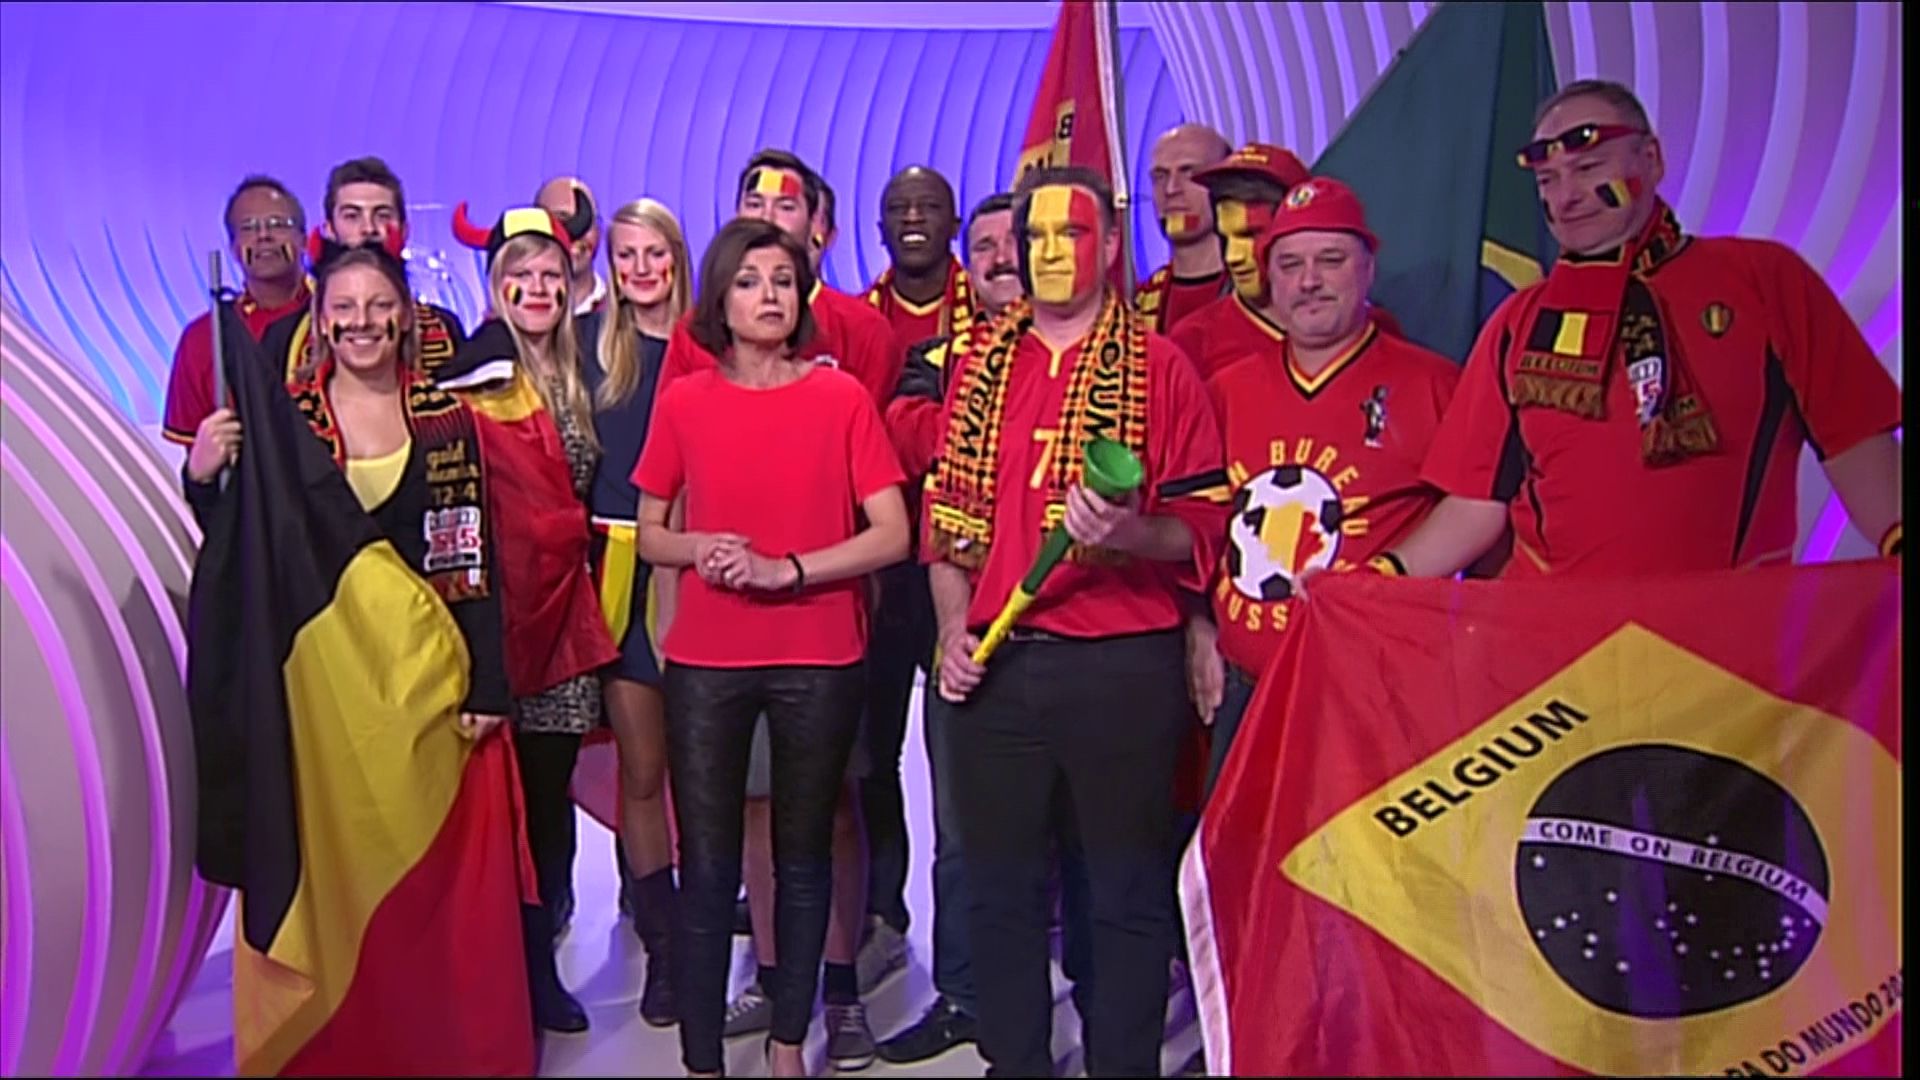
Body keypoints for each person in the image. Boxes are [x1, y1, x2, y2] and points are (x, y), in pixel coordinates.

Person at [184, 238, 535, 1075]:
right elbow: (243, 551)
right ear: (319, 318)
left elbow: (473, 556)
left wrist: (488, 683)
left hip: (433, 696)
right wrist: (202, 476)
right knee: (337, 887)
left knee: (434, 900)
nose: (362, 322)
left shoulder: (446, 420)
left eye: (379, 305)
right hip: (326, 706)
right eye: (343, 307)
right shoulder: (286, 429)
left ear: (407, 317)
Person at [924, 165, 1229, 1078]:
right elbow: (945, 527)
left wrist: (1129, 533)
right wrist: (951, 629)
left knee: (1123, 893)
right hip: (994, 666)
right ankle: (1014, 1062)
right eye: (1039, 237)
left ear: (1111, 246)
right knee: (999, 891)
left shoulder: (1162, 368)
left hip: (1121, 668)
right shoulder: (979, 367)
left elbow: (1202, 529)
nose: (1054, 253)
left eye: (1074, 234)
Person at [1366, 79, 1902, 581]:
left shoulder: (1763, 280)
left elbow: (1854, 441)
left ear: (1652, 158)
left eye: (1588, 168)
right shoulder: (1516, 322)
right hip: (1556, 636)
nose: (1566, 197)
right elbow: (1475, 504)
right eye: (1548, 181)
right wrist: (1375, 582)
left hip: (1725, 631)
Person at [633, 217, 910, 1079]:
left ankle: (790, 1043)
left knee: (803, 855)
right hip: (708, 659)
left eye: (784, 281)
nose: (769, 297)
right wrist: (702, 547)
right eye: (750, 282)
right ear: (719, 299)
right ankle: (703, 1060)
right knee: (711, 865)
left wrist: (788, 571)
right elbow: (650, 533)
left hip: (818, 654)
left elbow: (892, 533)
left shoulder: (841, 399)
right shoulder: (685, 402)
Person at [1186, 177, 1460, 795]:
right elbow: (1196, 525)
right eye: (1290, 265)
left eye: (1330, 260)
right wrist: (1197, 625)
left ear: (1368, 269)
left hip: (1379, 696)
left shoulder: (1435, 386)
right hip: (1246, 691)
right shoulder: (1224, 391)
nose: (1308, 281)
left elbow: (1480, 516)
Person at [438, 193, 619, 1035]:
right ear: (495, 287)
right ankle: (500, 968)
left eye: (551, 273)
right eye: (521, 275)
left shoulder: (590, 372)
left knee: (549, 804)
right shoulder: (474, 375)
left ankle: (542, 967)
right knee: (495, 808)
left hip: (567, 622)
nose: (539, 288)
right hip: (498, 624)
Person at [873, 189, 1020, 1065]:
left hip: (1076, 632)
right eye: (990, 246)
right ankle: (963, 992)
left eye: (1020, 242)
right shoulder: (934, 357)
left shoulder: (1106, 365)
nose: (1005, 259)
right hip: (955, 615)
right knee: (959, 826)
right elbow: (908, 438)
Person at [577, 196, 691, 1026]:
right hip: (618, 579)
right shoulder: (586, 346)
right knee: (642, 774)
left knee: (711, 780)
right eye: (627, 256)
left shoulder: (713, 342)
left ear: (678, 257)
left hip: (704, 571)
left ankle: (718, 926)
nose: (642, 269)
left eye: (655, 253)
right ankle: (665, 950)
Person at [654, 150, 900, 405]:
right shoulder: (696, 330)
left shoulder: (865, 331)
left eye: (785, 207)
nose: (767, 218)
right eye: (754, 204)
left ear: (814, 223)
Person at [262, 156, 465, 380]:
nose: (368, 228)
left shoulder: (444, 328)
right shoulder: (284, 338)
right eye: (352, 216)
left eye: (382, 215)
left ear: (404, 230)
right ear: (329, 229)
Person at [162, 174, 312, 450]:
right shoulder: (204, 337)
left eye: (278, 224)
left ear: (304, 239)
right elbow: (197, 452)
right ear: (232, 248)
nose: (264, 236)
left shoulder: (339, 320)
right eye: (249, 227)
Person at [1163, 142, 1311, 380]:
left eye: (1250, 234)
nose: (1232, 257)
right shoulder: (1192, 342)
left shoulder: (1358, 329)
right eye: (1225, 237)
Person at [865, 165, 976, 360]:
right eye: (898, 208)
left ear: (955, 228)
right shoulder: (855, 319)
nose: (912, 217)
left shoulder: (988, 312)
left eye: (930, 206)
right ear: (881, 232)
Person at [1134, 124, 1233, 334]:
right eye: (1160, 176)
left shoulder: (1261, 295)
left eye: (1189, 174)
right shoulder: (1136, 307)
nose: (1171, 190)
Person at [538, 176, 608, 315]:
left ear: (599, 231)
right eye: (560, 220)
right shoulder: (510, 319)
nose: (575, 233)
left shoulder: (625, 316)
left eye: (584, 221)